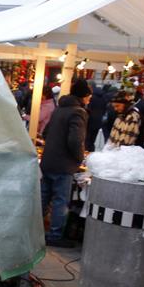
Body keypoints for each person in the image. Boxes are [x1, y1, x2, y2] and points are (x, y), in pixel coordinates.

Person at [39, 78, 92, 248]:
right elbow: (75, 140)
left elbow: (46, 133)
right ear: (84, 96)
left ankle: (33, 230)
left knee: (43, 198)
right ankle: (55, 235)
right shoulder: (78, 112)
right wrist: (79, 158)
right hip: (63, 164)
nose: (89, 100)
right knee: (60, 201)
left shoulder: (59, 109)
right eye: (88, 97)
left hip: (48, 161)